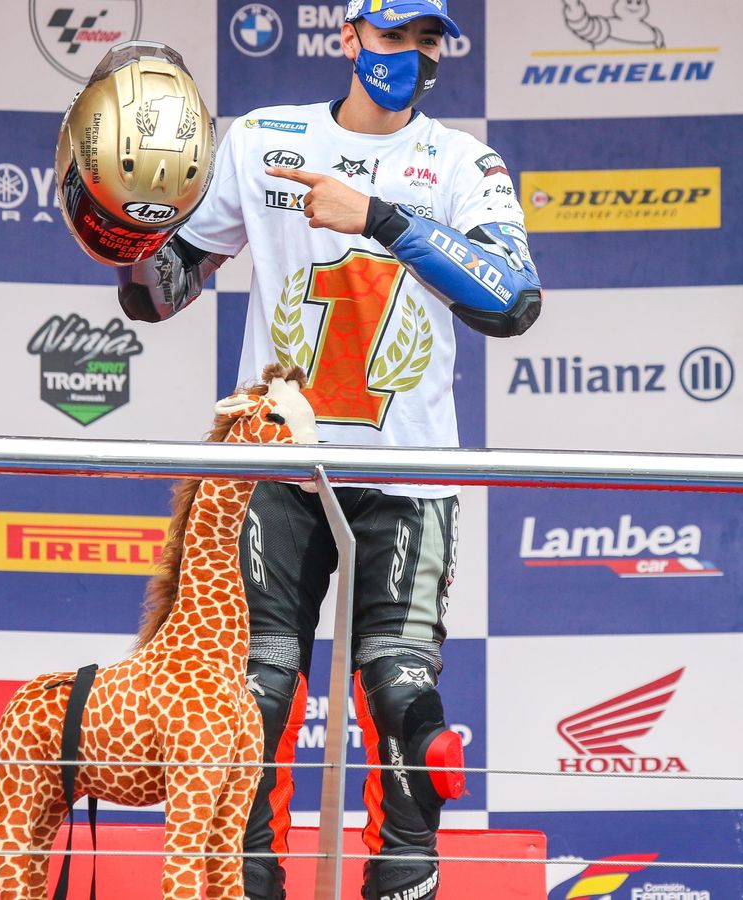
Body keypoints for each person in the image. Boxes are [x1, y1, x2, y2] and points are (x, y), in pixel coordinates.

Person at [114, 2, 542, 897]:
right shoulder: (260, 137)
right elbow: (162, 291)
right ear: (348, 38)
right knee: (258, 690)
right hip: (273, 461)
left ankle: (403, 871)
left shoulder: (467, 163)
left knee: (399, 688)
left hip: (410, 472)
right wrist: (119, 235)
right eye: (392, 37)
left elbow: (513, 301)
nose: (412, 57)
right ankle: (250, 881)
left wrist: (377, 217)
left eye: (428, 41)